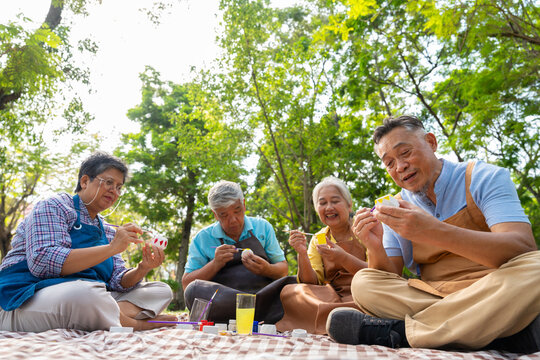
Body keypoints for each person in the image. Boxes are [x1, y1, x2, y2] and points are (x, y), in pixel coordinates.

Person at [326, 115, 540, 353]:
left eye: (405, 153)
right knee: (364, 283)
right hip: (436, 295)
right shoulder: (394, 205)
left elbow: (522, 248)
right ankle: (504, 333)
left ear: (431, 142)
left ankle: (402, 334)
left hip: (498, 285)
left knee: (537, 267)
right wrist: (373, 246)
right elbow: (389, 276)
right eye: (389, 163)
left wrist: (433, 231)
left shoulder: (483, 177)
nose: (400, 167)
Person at [0, 151, 176, 332]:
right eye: (109, 183)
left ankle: (112, 315)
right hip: (23, 298)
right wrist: (111, 248)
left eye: (119, 187)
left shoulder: (107, 230)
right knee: (87, 294)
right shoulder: (54, 206)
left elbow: (117, 280)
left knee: (160, 290)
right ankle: (136, 324)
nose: (114, 191)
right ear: (85, 181)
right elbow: (43, 263)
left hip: (86, 299)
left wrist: (143, 268)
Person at [182, 180, 296, 324]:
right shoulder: (202, 238)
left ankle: (254, 313)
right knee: (193, 290)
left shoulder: (263, 227)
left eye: (237, 211)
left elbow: (283, 270)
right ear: (215, 215)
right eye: (224, 215)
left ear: (244, 205)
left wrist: (267, 269)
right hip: (225, 302)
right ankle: (262, 316)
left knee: (296, 283)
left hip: (263, 297)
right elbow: (187, 283)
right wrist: (215, 264)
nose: (233, 220)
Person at [276, 177, 368, 334]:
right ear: (317, 208)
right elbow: (310, 282)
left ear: (349, 204)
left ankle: (335, 320)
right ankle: (345, 319)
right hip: (333, 297)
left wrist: (343, 257)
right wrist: (302, 253)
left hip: (366, 292)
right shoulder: (318, 238)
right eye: (323, 203)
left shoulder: (363, 228)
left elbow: (378, 272)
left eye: (335, 201)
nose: (329, 207)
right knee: (292, 292)